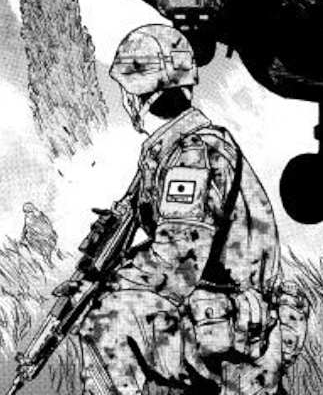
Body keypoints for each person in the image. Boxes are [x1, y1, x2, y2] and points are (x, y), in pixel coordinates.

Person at [77, 24, 303, 395]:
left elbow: (178, 262)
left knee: (107, 320)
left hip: (237, 330)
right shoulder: (172, 149)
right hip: (225, 319)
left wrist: (113, 280)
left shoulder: (193, 155)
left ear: (137, 95)